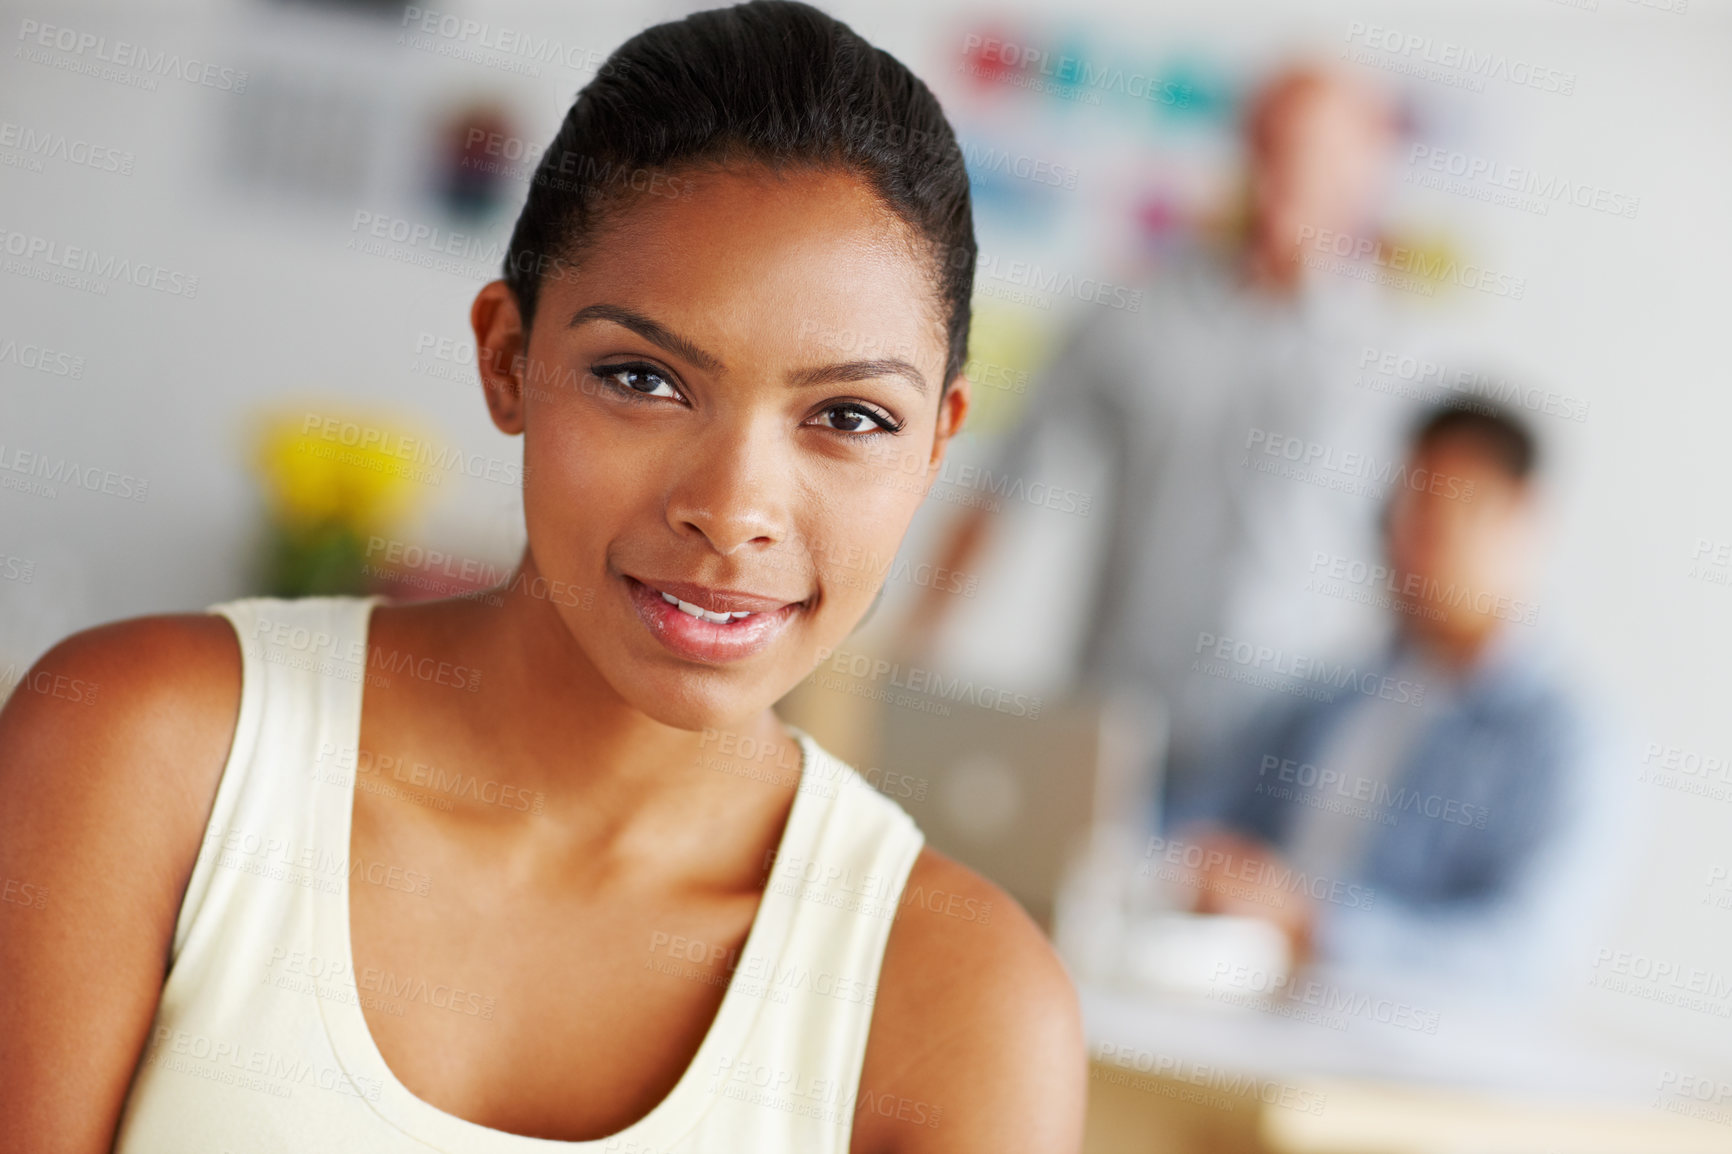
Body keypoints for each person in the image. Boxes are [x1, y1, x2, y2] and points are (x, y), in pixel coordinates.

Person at [0, 5, 1086, 1152]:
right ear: (507, 359)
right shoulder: (145, 754)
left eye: (849, 415)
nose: (732, 510)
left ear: (935, 444)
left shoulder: (962, 1003)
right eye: (644, 377)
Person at [904, 63, 1417, 785]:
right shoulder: (1134, 314)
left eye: (1321, 153)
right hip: (1117, 725)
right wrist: (912, 654)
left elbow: (1418, 558)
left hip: (1290, 753)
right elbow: (1005, 482)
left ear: (1370, 168)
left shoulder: (1401, 362)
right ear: (1246, 151)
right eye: (1275, 146)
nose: (1291, 175)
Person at [1165, 402, 1631, 995]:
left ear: (1523, 518)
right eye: (1405, 512)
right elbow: (1199, 813)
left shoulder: (1568, 741)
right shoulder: (1325, 697)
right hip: (1238, 996)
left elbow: (1522, 955)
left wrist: (1315, 923)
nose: (1412, 543)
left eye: (1445, 514)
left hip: (1396, 1047)